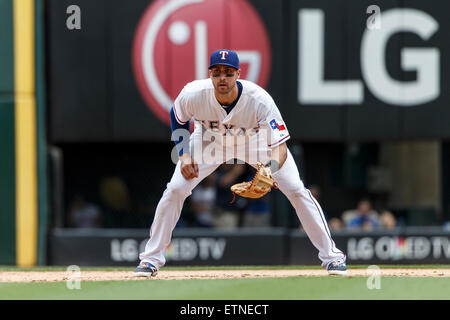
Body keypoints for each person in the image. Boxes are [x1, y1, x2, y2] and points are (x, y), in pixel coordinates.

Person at [134, 49, 347, 277]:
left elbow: (280, 146)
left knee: (296, 189)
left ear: (238, 73)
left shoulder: (259, 99)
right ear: (210, 74)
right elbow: (178, 118)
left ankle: (332, 257)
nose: (222, 78)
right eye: (217, 72)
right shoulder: (194, 93)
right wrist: (184, 154)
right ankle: (150, 260)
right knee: (175, 189)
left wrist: (269, 170)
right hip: (209, 140)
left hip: (254, 142)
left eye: (228, 72)